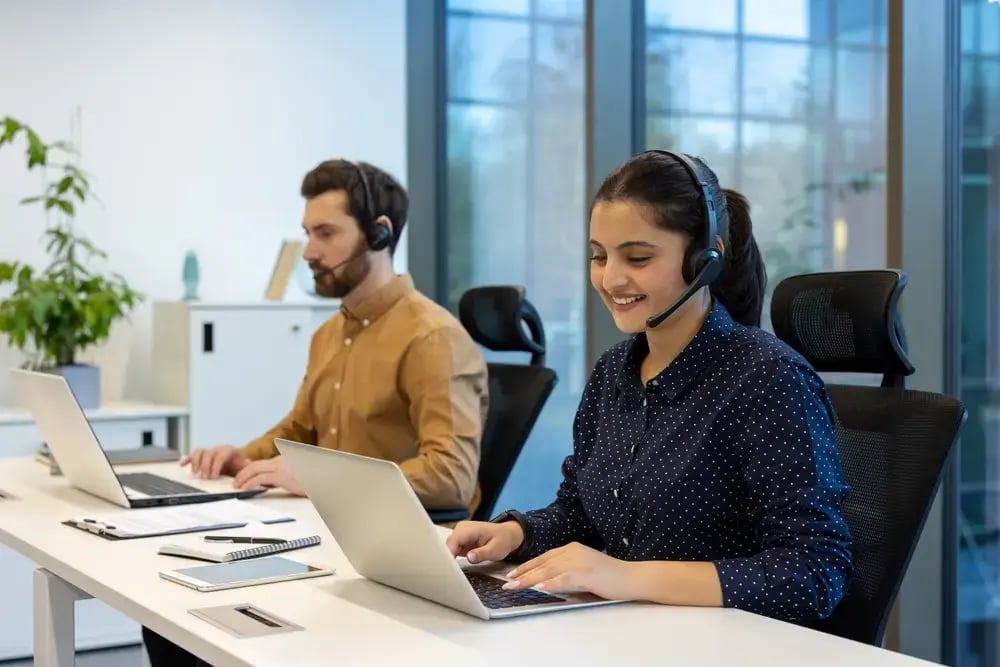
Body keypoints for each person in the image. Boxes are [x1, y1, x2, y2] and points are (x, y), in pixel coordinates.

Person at [446, 150, 852, 623]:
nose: (611, 278)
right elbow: (581, 513)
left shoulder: (766, 377)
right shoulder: (613, 370)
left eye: (637, 257)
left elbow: (813, 573)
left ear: (706, 258)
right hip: (623, 632)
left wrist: (628, 577)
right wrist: (517, 532)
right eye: (598, 256)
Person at [143, 159, 489, 666]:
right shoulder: (331, 333)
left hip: (395, 561)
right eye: (308, 233)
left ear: (378, 232)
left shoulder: (432, 338)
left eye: (326, 233)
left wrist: (318, 480)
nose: (309, 251)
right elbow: (299, 428)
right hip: (322, 536)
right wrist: (240, 456)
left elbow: (450, 478)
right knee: (171, 619)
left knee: (195, 635)